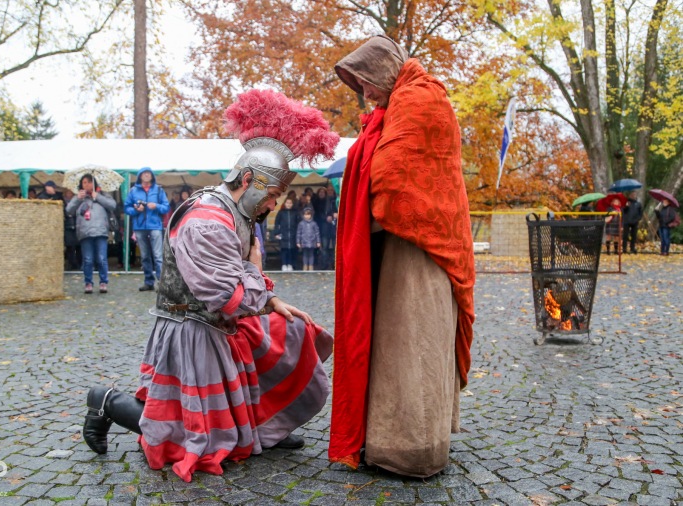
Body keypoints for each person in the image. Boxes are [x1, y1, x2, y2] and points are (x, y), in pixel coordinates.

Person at [81, 89, 339, 483]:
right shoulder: (206, 219)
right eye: (271, 195)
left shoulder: (238, 212)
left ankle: (262, 428)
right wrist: (257, 277)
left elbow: (237, 281)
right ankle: (107, 403)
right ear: (249, 179)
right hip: (191, 327)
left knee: (285, 337)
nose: (272, 205)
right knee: (189, 436)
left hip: (217, 322)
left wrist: (270, 299)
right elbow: (225, 294)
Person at [329, 35, 475, 478]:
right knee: (396, 338)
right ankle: (388, 436)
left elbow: (393, 176)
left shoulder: (420, 98)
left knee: (412, 340)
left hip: (419, 247)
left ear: (385, 69)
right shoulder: (402, 101)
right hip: (397, 244)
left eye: (367, 82)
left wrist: (367, 210)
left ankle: (413, 447)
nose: (366, 93)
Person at [66, 174, 116, 294]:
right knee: (87, 259)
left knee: (102, 258)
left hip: (100, 232)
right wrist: (77, 198)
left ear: (94, 183)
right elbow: (68, 210)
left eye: (89, 182)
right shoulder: (79, 197)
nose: (87, 184)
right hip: (85, 232)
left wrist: (97, 197)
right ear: (81, 185)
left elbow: (113, 205)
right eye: (84, 182)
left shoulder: (102, 194)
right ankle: (88, 283)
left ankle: (103, 282)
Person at [124, 168, 170, 292]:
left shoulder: (159, 190)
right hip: (139, 227)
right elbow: (126, 207)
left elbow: (166, 207)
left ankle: (162, 284)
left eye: (148, 173)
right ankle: (148, 282)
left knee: (158, 256)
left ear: (151, 176)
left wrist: (156, 206)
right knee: (144, 256)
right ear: (139, 176)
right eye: (144, 173)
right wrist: (135, 210)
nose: (146, 175)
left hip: (155, 226)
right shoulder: (133, 191)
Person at [273, 198, 300, 271]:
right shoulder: (281, 212)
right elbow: (277, 223)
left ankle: (290, 264)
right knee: (284, 250)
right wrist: (276, 233)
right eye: (287, 203)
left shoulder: (295, 212)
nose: (288, 204)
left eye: (290, 203)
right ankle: (284, 264)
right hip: (283, 234)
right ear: (285, 204)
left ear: (292, 204)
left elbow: (298, 224)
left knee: (292, 250)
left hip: (292, 234)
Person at [63, 189, 81, 270]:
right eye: (68, 193)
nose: (69, 194)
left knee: (78, 246)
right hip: (68, 226)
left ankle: (79, 263)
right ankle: (72, 263)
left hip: (76, 225)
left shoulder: (77, 202)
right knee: (70, 247)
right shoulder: (63, 202)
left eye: (70, 193)